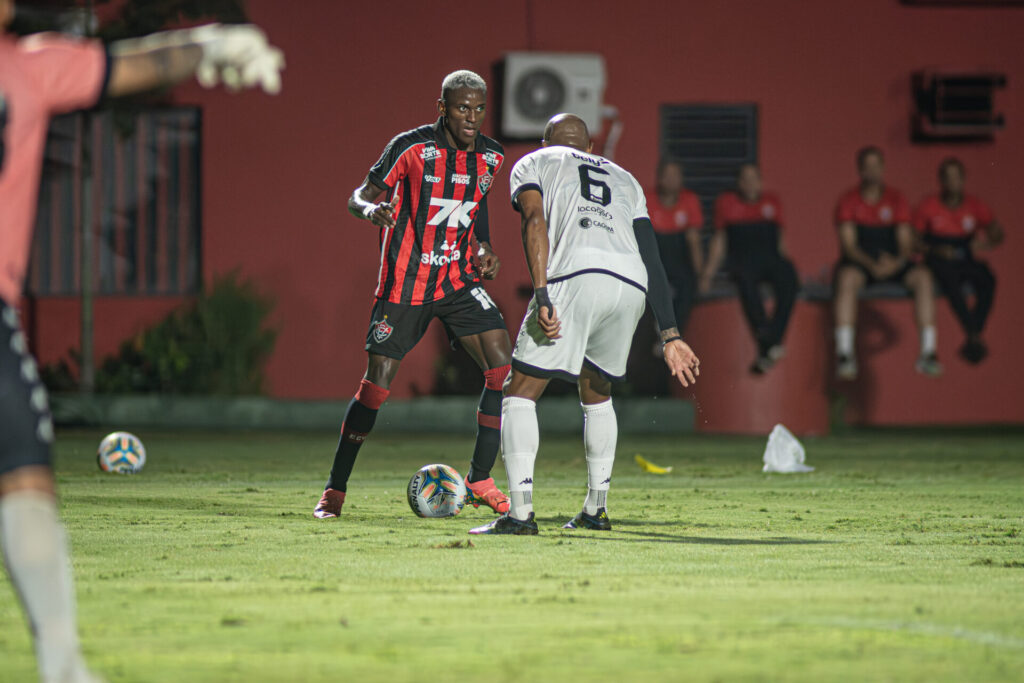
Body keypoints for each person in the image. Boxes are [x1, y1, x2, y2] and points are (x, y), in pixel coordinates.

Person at [0, 5, 284, 681]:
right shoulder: (25, 67)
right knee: (24, 480)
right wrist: (212, 44)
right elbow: (134, 65)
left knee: (26, 480)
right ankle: (63, 666)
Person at [469, 113, 700, 536]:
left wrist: (542, 294)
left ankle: (519, 515)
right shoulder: (626, 178)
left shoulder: (535, 161)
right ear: (591, 147)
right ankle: (596, 510)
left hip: (575, 277)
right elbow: (651, 256)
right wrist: (670, 333)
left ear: (545, 143)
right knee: (597, 391)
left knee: (520, 390)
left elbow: (533, 221)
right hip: (630, 286)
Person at [314, 70, 512, 519]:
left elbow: (477, 204)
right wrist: (372, 210)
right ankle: (335, 489)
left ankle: (480, 479)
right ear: (442, 108)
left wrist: (485, 247)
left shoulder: (492, 157)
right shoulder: (411, 147)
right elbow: (358, 196)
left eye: (479, 109)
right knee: (376, 387)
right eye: (462, 108)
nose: (472, 117)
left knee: (502, 369)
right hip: (406, 282)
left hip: (458, 279)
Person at [832, 146, 942, 380]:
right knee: (846, 278)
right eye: (868, 166)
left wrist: (895, 263)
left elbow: (905, 243)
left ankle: (928, 353)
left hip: (893, 262)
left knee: (923, 277)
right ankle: (845, 354)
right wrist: (871, 265)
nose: (872, 171)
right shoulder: (848, 200)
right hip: (862, 263)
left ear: (883, 168)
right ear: (860, 170)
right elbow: (849, 246)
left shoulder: (897, 199)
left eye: (877, 165)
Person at [700, 164, 798, 373]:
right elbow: (720, 241)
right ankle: (766, 337)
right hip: (743, 259)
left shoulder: (772, 202)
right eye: (745, 179)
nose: (750, 184)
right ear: (739, 183)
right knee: (746, 282)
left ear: (761, 182)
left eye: (754, 179)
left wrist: (786, 263)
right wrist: (707, 274)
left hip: (770, 257)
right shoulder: (727, 203)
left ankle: (771, 338)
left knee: (790, 278)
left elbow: (781, 241)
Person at [914, 158, 1003, 364]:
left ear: (963, 179)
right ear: (941, 181)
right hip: (939, 257)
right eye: (948, 178)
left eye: (957, 177)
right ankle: (973, 333)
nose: (953, 182)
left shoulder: (975, 205)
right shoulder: (928, 206)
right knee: (951, 282)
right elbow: (914, 241)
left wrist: (986, 244)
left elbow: (997, 233)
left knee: (988, 279)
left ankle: (974, 333)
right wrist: (935, 250)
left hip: (964, 255)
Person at [646, 158, 704, 336]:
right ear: (659, 178)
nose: (671, 180)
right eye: (667, 175)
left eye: (675, 175)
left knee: (688, 286)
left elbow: (694, 241)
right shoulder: (646, 199)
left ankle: (672, 334)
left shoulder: (690, 200)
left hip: (679, 256)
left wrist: (701, 274)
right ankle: (654, 332)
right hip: (654, 255)